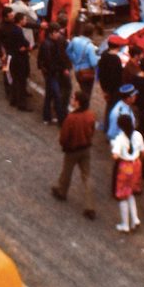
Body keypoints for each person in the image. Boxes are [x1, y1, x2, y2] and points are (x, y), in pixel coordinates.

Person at [52, 91, 97, 220]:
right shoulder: (90, 115)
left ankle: (62, 191)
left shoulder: (71, 118)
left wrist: (64, 145)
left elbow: (64, 137)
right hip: (85, 148)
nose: (72, 99)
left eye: (73, 98)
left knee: (67, 171)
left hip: (72, 150)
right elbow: (92, 130)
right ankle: (90, 206)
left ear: (77, 102)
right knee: (87, 176)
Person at [110, 112, 144, 234]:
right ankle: (135, 219)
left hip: (125, 166)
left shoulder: (120, 138)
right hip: (136, 164)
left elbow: (115, 156)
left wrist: (114, 147)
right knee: (131, 192)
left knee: (122, 194)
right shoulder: (138, 135)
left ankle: (125, 224)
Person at [37, 24, 70, 124]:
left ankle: (47, 117)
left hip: (51, 72)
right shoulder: (48, 45)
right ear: (52, 33)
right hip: (52, 73)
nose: (59, 35)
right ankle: (60, 119)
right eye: (57, 33)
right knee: (56, 95)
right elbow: (50, 62)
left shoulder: (49, 43)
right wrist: (61, 69)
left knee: (49, 95)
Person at [96, 37, 125, 131]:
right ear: (118, 47)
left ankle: (107, 126)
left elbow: (101, 73)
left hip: (106, 87)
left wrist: (104, 89)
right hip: (114, 89)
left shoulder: (104, 55)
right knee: (113, 108)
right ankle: (109, 128)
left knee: (109, 106)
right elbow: (116, 77)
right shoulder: (116, 59)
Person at [5, 12, 33, 110]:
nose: (25, 21)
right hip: (20, 59)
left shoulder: (13, 29)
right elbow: (24, 45)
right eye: (24, 19)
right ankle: (22, 104)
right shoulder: (18, 31)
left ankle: (14, 100)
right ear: (20, 20)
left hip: (14, 57)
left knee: (15, 80)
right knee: (21, 81)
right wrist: (26, 47)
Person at [67, 24, 99, 100]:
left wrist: (74, 60)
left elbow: (68, 51)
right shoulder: (90, 46)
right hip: (87, 73)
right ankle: (83, 108)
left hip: (77, 71)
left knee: (83, 90)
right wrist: (98, 58)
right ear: (91, 33)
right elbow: (93, 63)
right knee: (86, 94)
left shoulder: (75, 40)